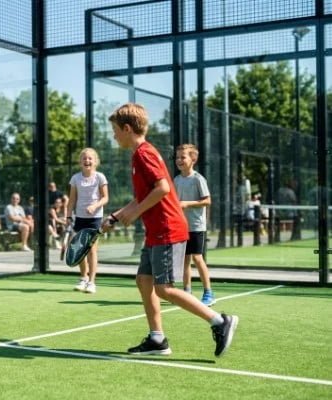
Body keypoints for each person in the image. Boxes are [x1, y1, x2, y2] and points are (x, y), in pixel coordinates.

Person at [104, 102, 238, 357]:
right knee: (144, 280)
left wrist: (137, 212)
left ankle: (220, 321)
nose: (113, 135)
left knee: (164, 288)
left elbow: (164, 188)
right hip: (156, 232)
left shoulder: (144, 153)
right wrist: (116, 216)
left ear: (127, 128)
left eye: (115, 130)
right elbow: (142, 196)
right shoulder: (138, 155)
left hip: (167, 229)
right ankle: (157, 339)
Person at [174, 144, 215, 306]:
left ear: (193, 159)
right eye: (177, 157)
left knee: (197, 258)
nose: (179, 160)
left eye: (182, 157)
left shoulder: (198, 179)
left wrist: (187, 204)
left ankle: (208, 292)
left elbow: (207, 200)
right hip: (182, 226)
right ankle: (187, 291)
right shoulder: (176, 180)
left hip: (197, 226)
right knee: (185, 259)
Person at [66, 148, 109, 294]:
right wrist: (68, 216)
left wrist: (95, 206)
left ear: (95, 161)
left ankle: (92, 282)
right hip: (80, 218)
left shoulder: (100, 177)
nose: (87, 161)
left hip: (95, 219)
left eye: (90, 158)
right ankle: (83, 279)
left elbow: (105, 198)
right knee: (80, 250)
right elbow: (72, 200)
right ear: (80, 162)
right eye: (84, 158)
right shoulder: (75, 178)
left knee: (91, 250)